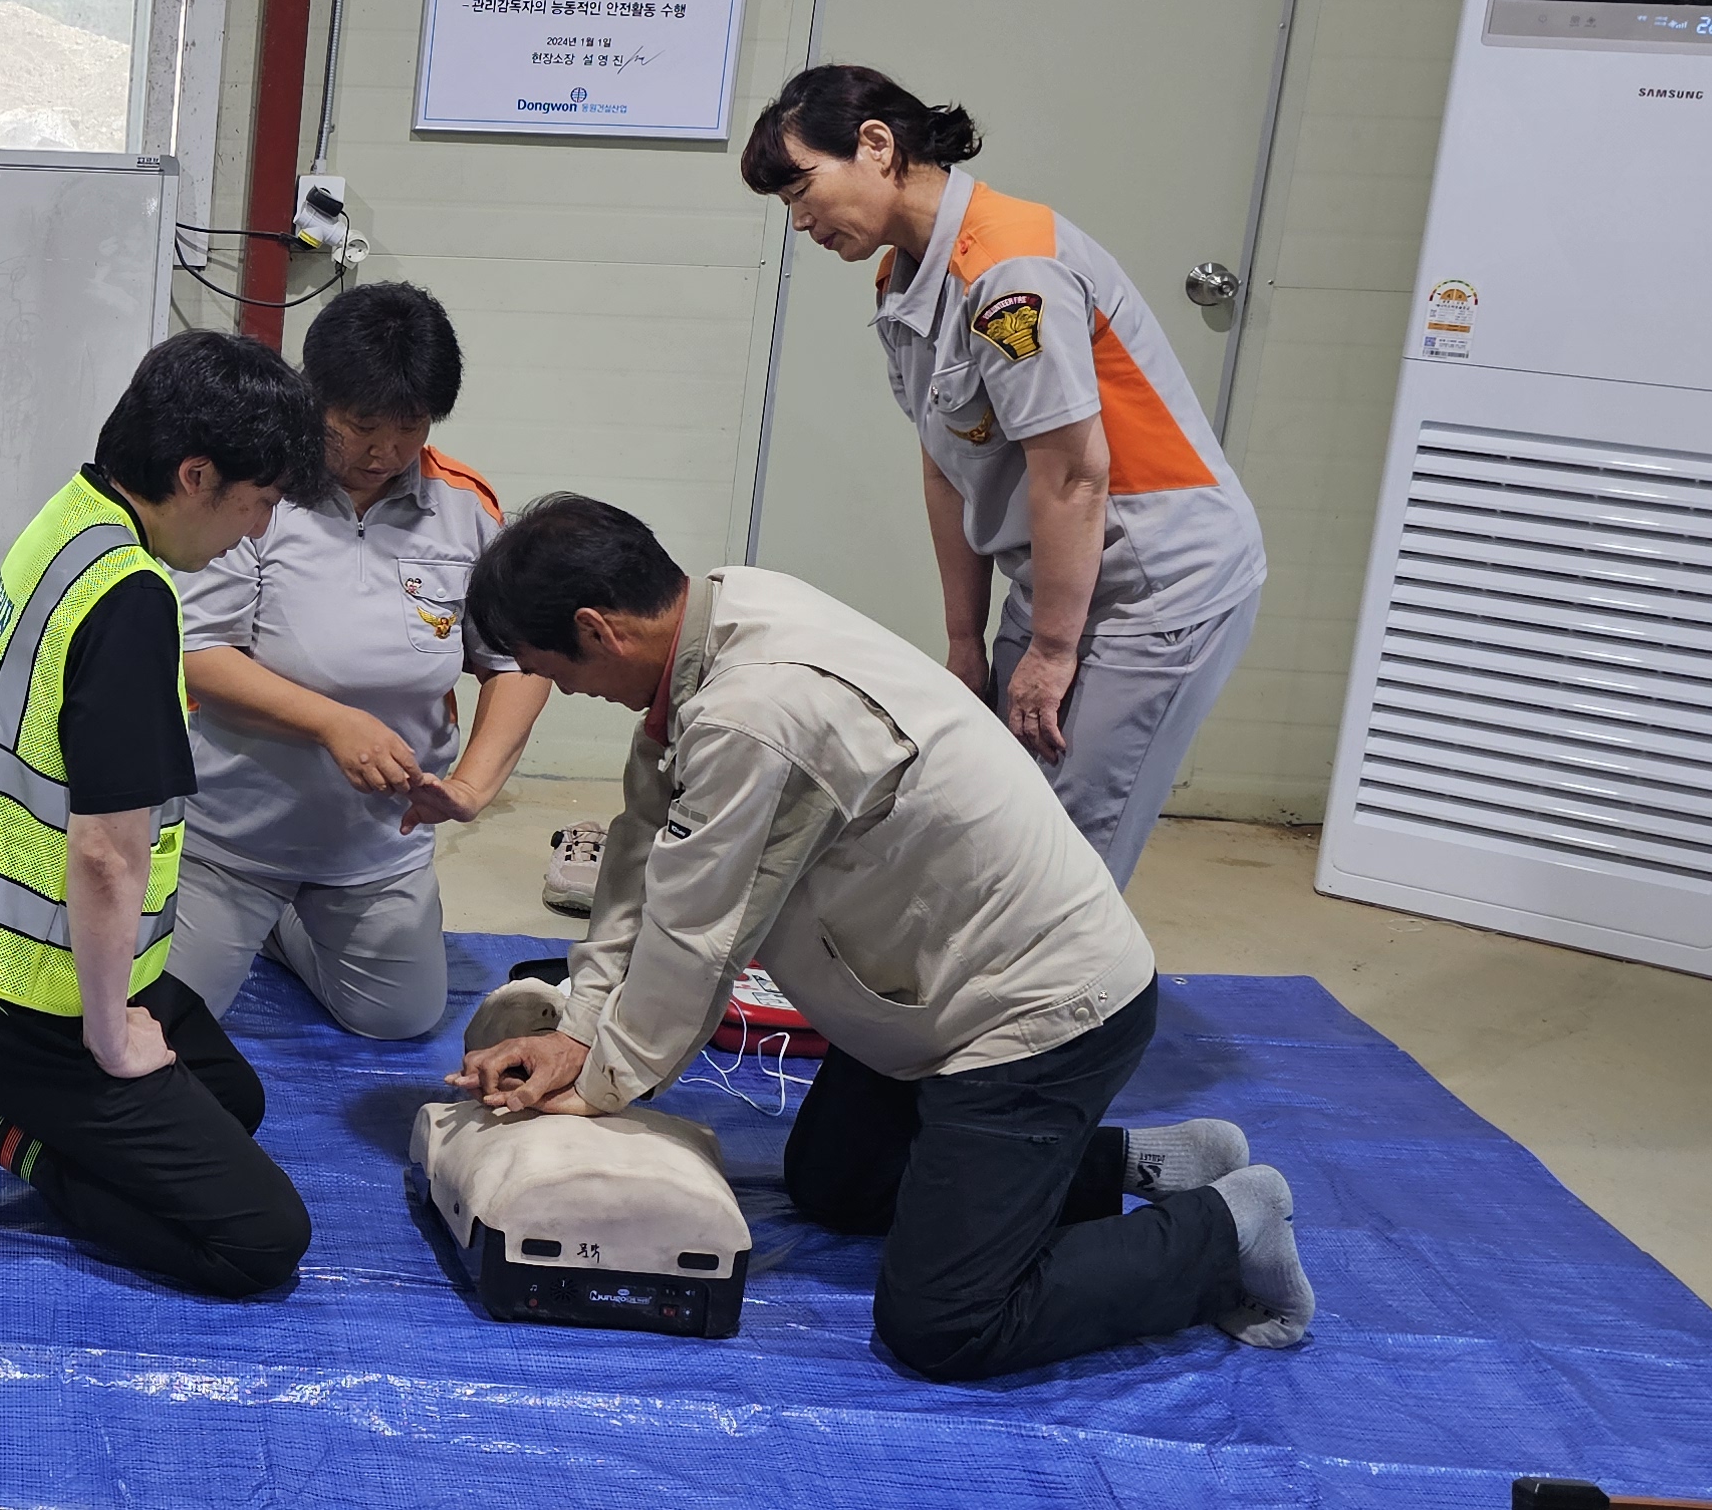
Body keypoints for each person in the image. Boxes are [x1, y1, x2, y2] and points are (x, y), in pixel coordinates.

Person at [449, 494, 1312, 1379]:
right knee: (837, 1186)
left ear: (596, 630)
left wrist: (602, 1083)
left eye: (555, 673)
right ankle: (1157, 1162)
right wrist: (578, 1029)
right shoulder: (718, 617)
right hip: (942, 986)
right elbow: (639, 857)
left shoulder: (757, 707)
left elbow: (695, 932)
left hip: (1037, 1016)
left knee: (946, 1323)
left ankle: (1231, 1225)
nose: (571, 693)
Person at [0, 331, 326, 1300]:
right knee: (258, 1240)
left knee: (231, 1100)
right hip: (17, 1004)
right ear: (196, 475)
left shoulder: (75, 515)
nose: (255, 532)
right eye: (259, 501)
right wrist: (110, 1037)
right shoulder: (132, 602)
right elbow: (107, 856)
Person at [743, 65, 1267, 884]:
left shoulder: (1011, 269)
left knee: (1066, 855)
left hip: (1154, 582)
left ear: (876, 145)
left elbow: (1074, 476)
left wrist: (1052, 651)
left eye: (802, 189)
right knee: (996, 816)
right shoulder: (903, 274)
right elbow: (946, 466)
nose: (800, 220)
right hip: (1058, 572)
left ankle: (1070, 972)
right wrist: (965, 641)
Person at [170, 284, 552, 1039]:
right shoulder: (256, 491)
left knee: (398, 1019)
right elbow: (196, 651)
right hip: (233, 835)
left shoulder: (464, 508)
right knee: (171, 1021)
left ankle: (290, 929)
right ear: (315, 399)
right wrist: (331, 723)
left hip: (377, 845)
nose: (385, 452)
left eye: (410, 428)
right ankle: (259, 911)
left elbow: (518, 662)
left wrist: (472, 786)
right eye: (361, 427)